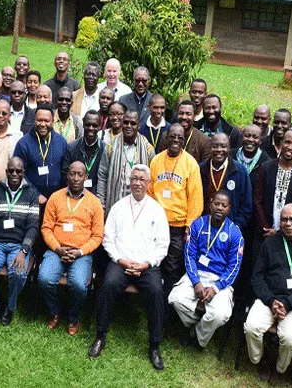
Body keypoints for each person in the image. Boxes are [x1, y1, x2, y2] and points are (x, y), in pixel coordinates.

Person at [89, 164, 169, 370]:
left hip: (146, 264)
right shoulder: (118, 207)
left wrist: (146, 264)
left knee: (156, 291)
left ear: (149, 183)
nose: (137, 183)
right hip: (121, 262)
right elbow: (108, 240)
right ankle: (100, 336)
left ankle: (154, 346)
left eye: (142, 179)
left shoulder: (157, 210)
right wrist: (120, 260)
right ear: (129, 181)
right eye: (134, 178)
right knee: (108, 285)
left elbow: (163, 244)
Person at [244, 204, 292, 382]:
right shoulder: (269, 244)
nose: (288, 223)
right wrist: (271, 301)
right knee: (251, 327)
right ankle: (260, 359)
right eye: (284, 219)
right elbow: (257, 277)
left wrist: (288, 304)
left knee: (291, 339)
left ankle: (280, 367)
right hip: (268, 299)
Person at [169, 190, 244, 348]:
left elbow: (233, 267)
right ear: (210, 204)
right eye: (216, 204)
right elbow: (189, 255)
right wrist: (196, 282)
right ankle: (198, 318)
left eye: (224, 205)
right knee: (176, 298)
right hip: (196, 274)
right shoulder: (197, 224)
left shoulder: (235, 233)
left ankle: (196, 335)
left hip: (220, 280)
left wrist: (216, 288)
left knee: (220, 314)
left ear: (229, 209)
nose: (219, 208)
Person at [39, 162, 104, 335]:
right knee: (44, 279)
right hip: (57, 250)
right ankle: (55, 312)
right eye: (72, 174)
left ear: (86, 177)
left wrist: (80, 251)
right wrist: (58, 248)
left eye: (79, 175)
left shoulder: (94, 202)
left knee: (79, 285)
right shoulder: (55, 197)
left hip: (81, 253)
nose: (75, 178)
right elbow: (46, 228)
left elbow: (98, 236)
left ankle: (74, 317)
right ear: (67, 175)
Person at [0, 157, 40, 326]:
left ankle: (10, 307)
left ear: (23, 173)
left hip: (19, 245)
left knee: (19, 274)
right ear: (6, 172)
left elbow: (33, 227)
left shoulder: (32, 194)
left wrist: (24, 251)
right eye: (11, 170)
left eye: (18, 171)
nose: (14, 174)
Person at [147, 123, 203, 293]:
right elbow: (149, 192)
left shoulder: (190, 163)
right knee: (155, 263)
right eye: (173, 136)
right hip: (156, 224)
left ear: (184, 140)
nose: (176, 140)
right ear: (167, 137)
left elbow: (195, 198)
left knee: (172, 267)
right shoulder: (156, 160)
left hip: (177, 227)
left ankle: (168, 308)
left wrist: (189, 227)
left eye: (180, 137)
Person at [253, 130, 292, 240]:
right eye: (287, 142)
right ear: (281, 144)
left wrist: (282, 231)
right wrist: (266, 227)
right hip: (264, 234)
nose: (290, 147)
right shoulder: (266, 168)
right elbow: (257, 200)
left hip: (291, 235)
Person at [98, 109, 153, 212]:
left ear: (139, 126)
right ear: (122, 123)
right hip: (116, 203)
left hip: (140, 206)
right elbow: (102, 176)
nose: (128, 126)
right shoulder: (111, 146)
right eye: (126, 122)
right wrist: (101, 204)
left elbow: (152, 180)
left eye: (133, 123)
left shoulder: (148, 149)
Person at [14, 104, 68, 203]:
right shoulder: (23, 144)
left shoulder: (61, 142)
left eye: (46, 121)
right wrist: (35, 194)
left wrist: (61, 195)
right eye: (39, 120)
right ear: (34, 120)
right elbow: (18, 174)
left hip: (57, 200)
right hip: (30, 200)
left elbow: (65, 172)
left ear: (53, 121)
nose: (43, 124)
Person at [199, 132, 253, 230]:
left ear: (229, 148)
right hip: (204, 227)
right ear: (210, 148)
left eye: (223, 146)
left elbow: (246, 205)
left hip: (230, 229)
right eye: (215, 146)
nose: (219, 150)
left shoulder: (239, 171)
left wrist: (236, 226)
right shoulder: (201, 169)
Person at [62, 111, 108, 196]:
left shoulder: (105, 149)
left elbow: (104, 177)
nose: (91, 128)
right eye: (88, 125)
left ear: (100, 127)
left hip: (95, 197)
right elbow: (65, 173)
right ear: (83, 124)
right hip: (74, 195)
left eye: (94, 125)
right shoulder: (71, 147)